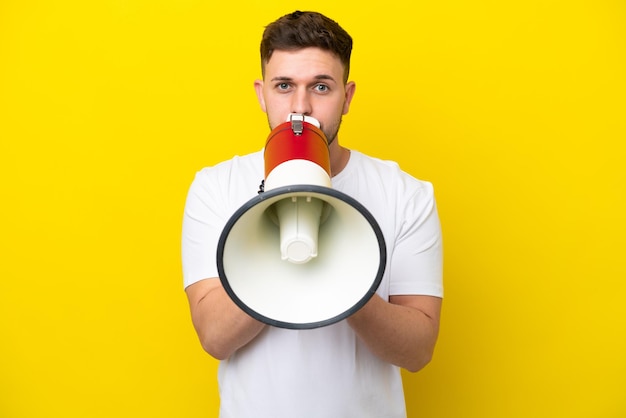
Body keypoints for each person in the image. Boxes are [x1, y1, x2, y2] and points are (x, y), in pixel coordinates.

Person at [182, 10, 443, 418]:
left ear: (348, 96)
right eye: (284, 85)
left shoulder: (406, 194)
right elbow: (214, 337)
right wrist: (281, 222)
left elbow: (418, 349)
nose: (299, 107)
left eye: (321, 86)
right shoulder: (215, 187)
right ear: (260, 93)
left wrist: (341, 272)